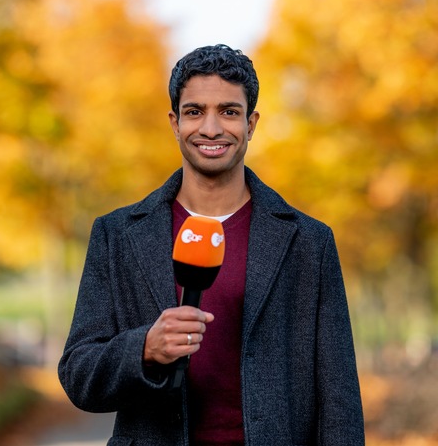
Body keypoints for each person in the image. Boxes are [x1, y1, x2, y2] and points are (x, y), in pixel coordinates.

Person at [58, 44, 365, 445]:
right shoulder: (116, 235)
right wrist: (144, 347)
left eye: (229, 111)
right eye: (195, 111)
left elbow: (339, 395)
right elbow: (79, 375)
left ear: (251, 124)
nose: (211, 128)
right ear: (174, 122)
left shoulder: (309, 242)